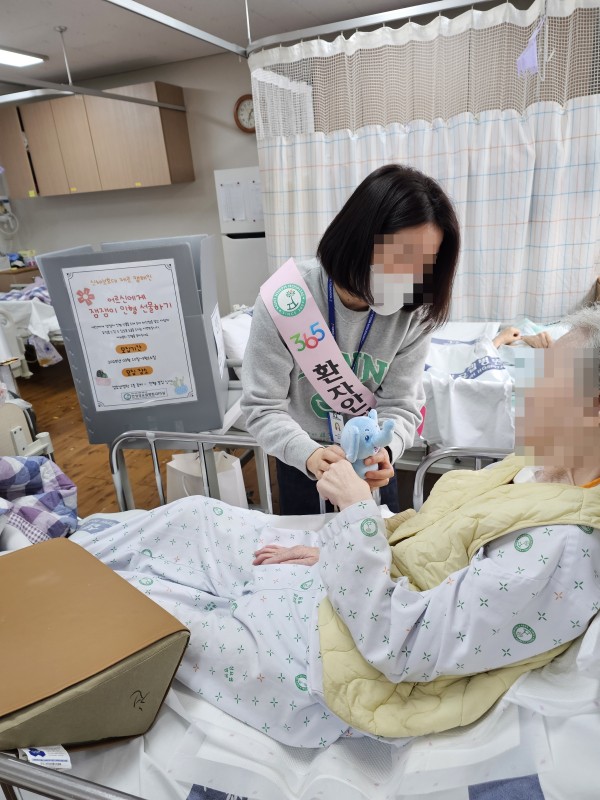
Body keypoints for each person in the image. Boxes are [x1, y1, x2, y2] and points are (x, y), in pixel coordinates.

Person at [74, 305, 600, 748]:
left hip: (337, 665)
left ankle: (53, 595)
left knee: (139, 609)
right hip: (342, 592)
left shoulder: (560, 550)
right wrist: (335, 553)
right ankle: (62, 554)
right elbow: (434, 544)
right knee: (192, 517)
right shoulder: (535, 470)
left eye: (546, 379)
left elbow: (403, 646)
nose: (524, 387)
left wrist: (356, 514)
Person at [241, 164, 460, 514]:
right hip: (302, 459)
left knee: (376, 545)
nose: (410, 275)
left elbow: (401, 404)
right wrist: (310, 455)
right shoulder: (287, 298)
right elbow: (262, 407)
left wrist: (385, 451)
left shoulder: (414, 313)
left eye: (424, 263)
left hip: (370, 464)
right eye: (401, 255)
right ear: (359, 237)